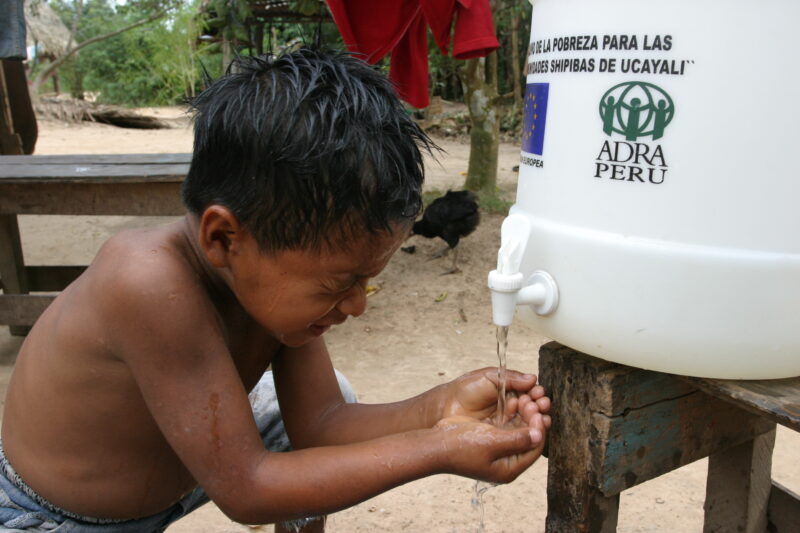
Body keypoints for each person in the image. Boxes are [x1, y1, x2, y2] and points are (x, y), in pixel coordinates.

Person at [0, 47, 551, 532]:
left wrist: (441, 406)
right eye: (342, 282)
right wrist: (438, 448)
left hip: (185, 474)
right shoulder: (146, 283)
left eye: (367, 283)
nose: (357, 305)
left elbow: (322, 425)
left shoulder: (271, 293)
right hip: (56, 518)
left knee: (329, 393)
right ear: (223, 238)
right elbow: (248, 490)